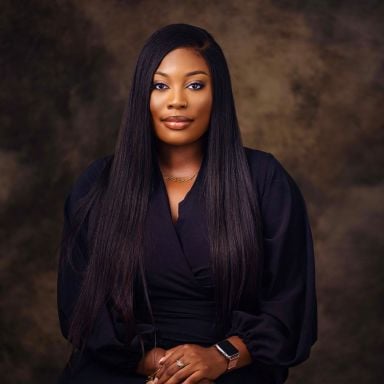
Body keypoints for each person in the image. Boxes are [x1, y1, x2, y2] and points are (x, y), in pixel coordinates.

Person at [57, 23, 317, 384]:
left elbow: (289, 308)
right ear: (141, 96)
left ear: (218, 94)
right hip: (120, 369)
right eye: (160, 85)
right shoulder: (99, 184)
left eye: (195, 85)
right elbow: (79, 309)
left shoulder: (264, 180)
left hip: (230, 369)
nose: (176, 100)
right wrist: (160, 365)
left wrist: (218, 357)